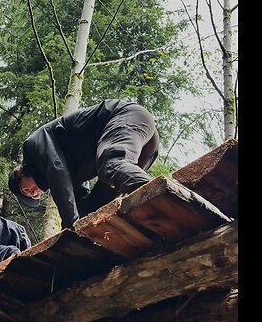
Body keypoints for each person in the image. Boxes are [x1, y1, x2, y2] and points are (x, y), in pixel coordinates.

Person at [9, 99, 160, 230]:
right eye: (33, 196)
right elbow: (81, 205)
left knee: (110, 164)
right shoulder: (70, 179)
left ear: (19, 173)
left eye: (26, 190)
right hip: (145, 146)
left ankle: (161, 197)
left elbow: (56, 170)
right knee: (94, 207)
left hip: (126, 117)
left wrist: (70, 229)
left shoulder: (33, 145)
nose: (34, 193)